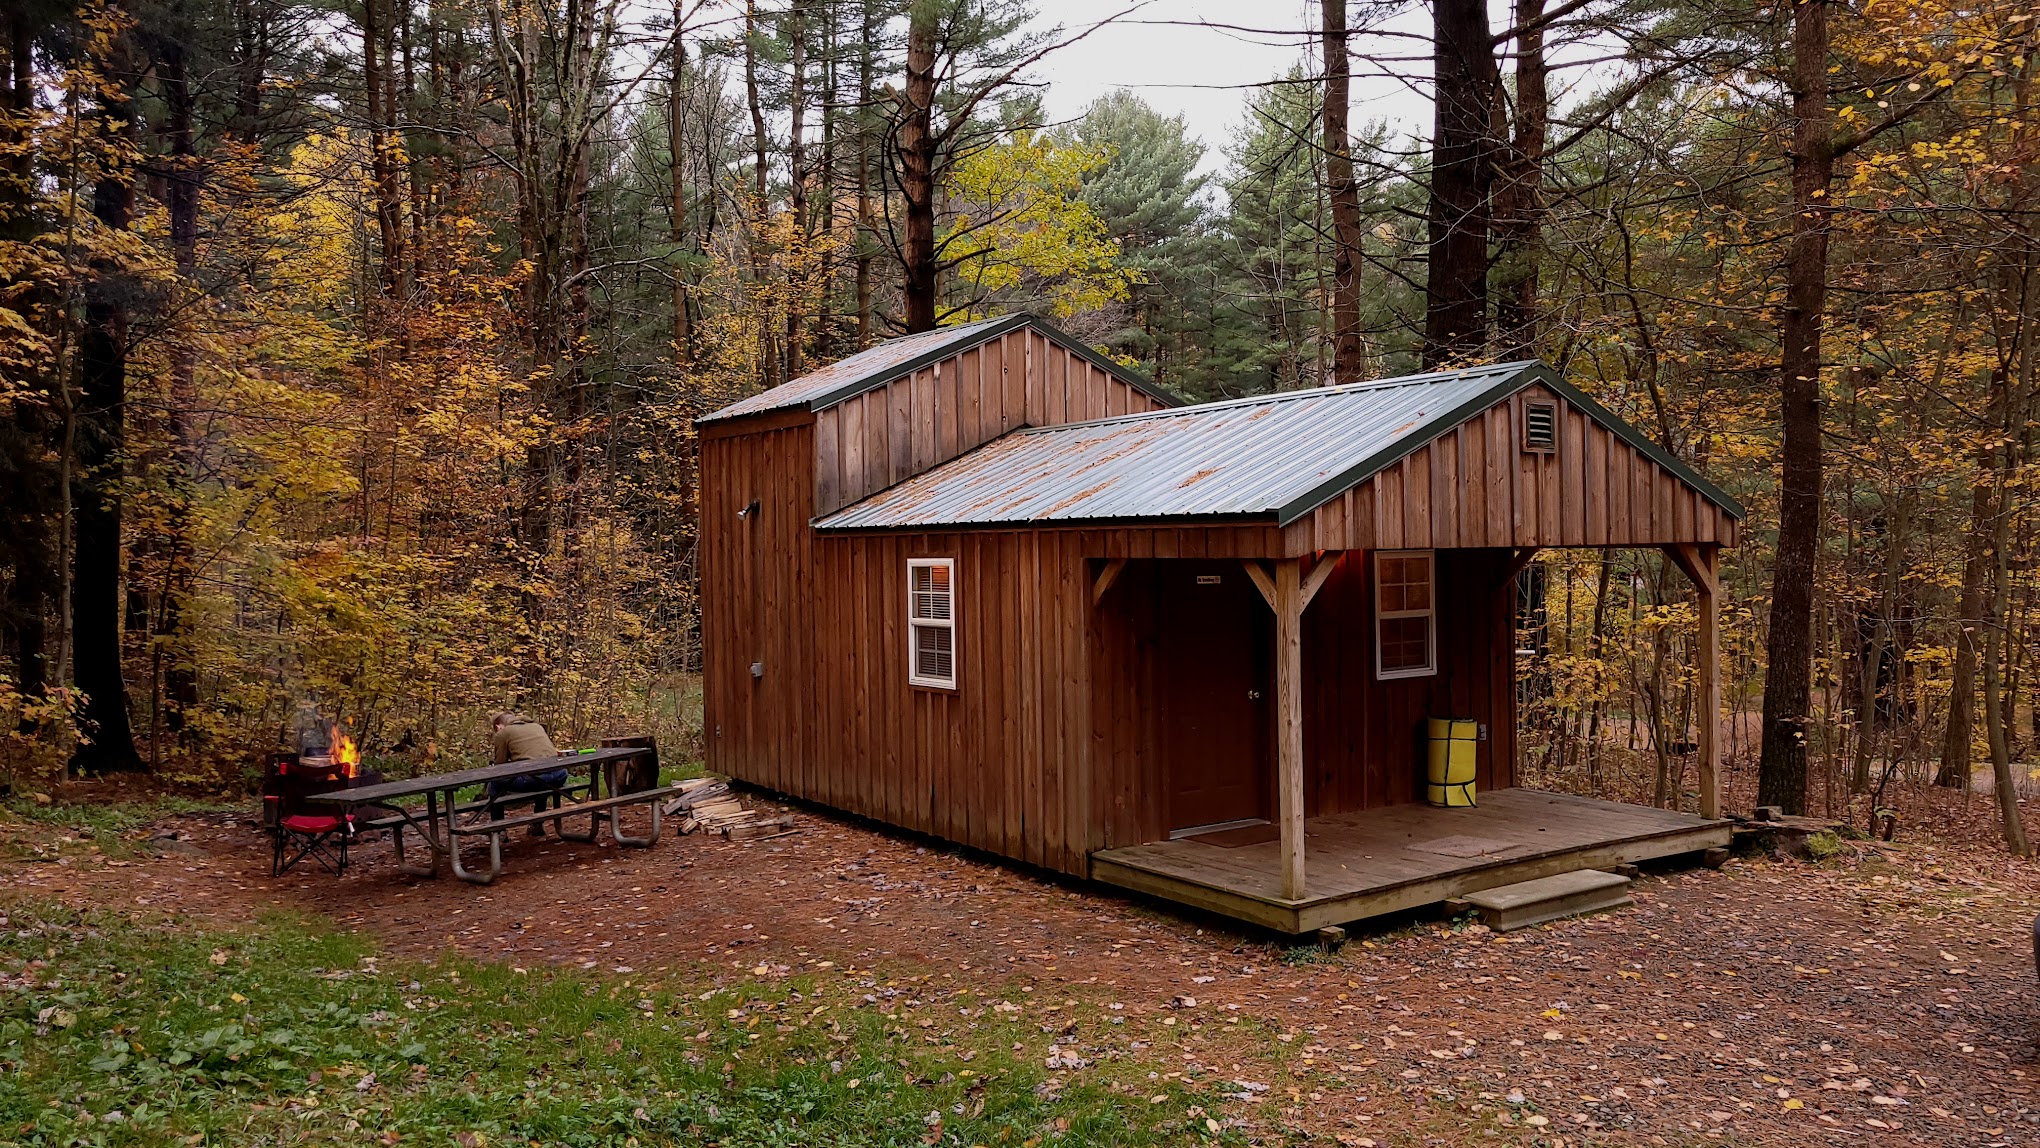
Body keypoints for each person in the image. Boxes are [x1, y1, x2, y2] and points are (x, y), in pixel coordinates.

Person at [484, 712, 568, 836]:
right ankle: (537, 823)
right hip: (559, 775)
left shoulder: (503, 733)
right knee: (541, 776)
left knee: (495, 782)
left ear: (498, 727)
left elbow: (500, 765)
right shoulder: (537, 726)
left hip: (534, 779)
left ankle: (499, 830)